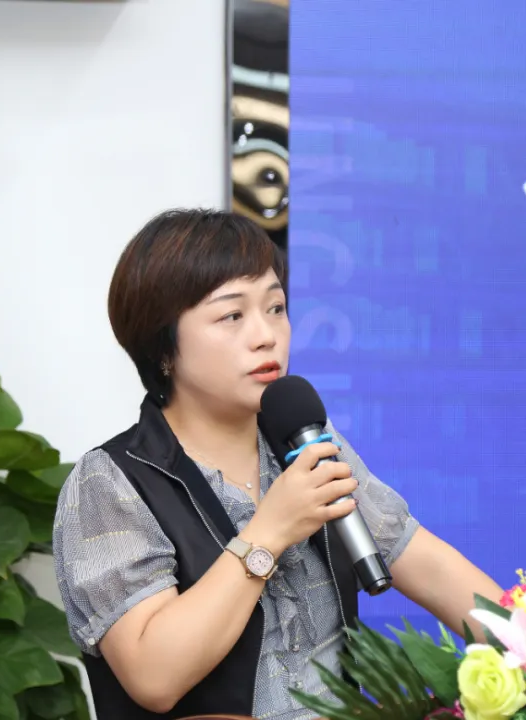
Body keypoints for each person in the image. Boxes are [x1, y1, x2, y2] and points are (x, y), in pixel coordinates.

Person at [54, 209, 503, 720]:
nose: (266, 335)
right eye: (232, 316)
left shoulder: (304, 439)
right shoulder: (110, 482)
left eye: (276, 308)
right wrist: (268, 532)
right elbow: (154, 677)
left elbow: (426, 563)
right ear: (163, 348)